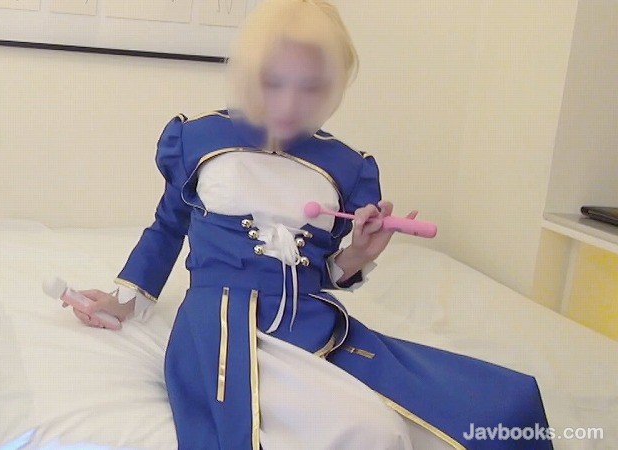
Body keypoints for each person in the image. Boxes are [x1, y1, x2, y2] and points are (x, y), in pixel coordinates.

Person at [70, 1, 553, 448]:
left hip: (313, 322)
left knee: (484, 412)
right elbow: (166, 229)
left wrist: (359, 254)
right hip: (219, 323)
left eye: (311, 87)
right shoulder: (198, 139)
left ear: (336, 87)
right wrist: (123, 299)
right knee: (367, 432)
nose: (289, 103)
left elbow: (324, 273)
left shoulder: (346, 167)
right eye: (274, 81)